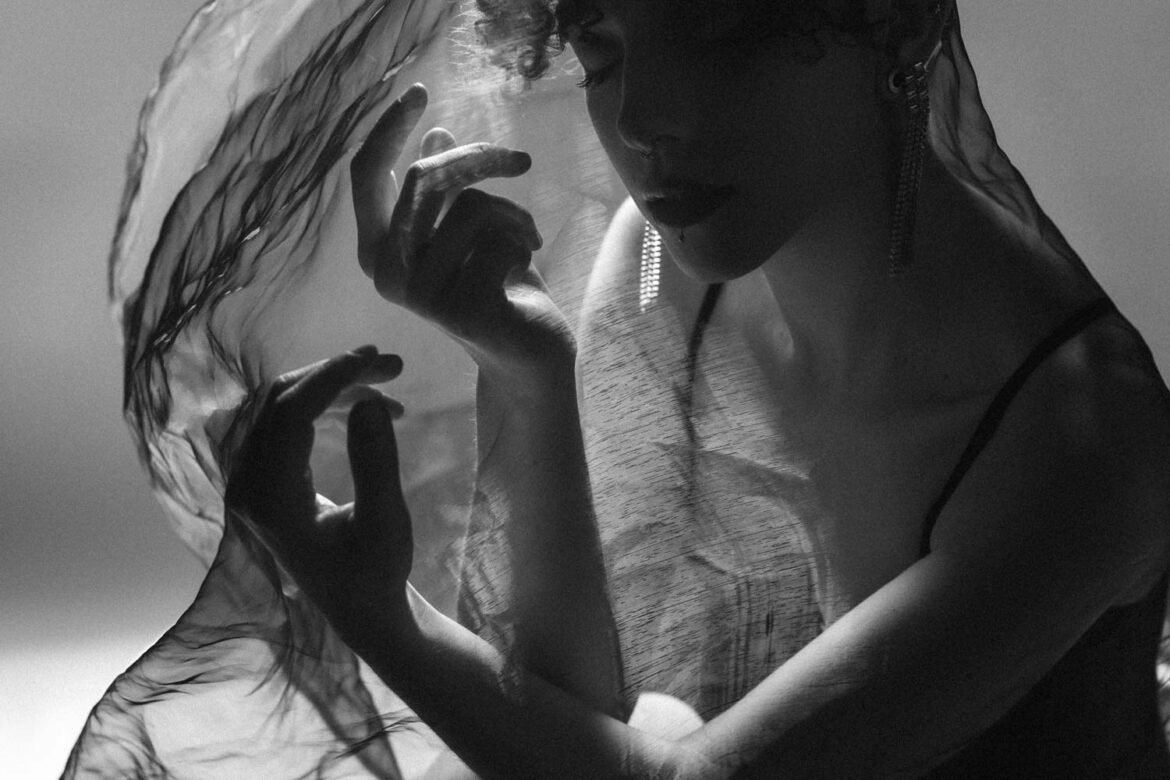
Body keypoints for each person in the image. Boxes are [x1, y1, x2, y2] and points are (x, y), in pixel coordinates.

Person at [66, 0, 1170, 777]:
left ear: (898, 19)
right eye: (600, 49)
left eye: (718, 33)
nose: (642, 121)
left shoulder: (1084, 441)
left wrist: (380, 618)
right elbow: (574, 718)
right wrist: (529, 375)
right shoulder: (657, 262)